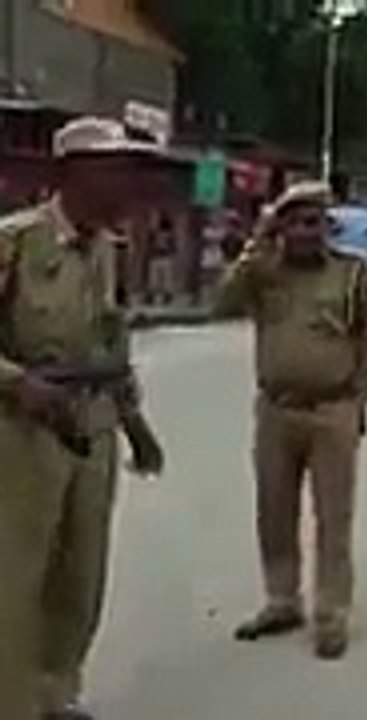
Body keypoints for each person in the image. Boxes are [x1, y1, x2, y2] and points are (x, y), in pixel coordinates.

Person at [0, 116, 167, 720]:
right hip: (23, 430)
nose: (126, 185)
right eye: (114, 170)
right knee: (16, 576)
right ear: (70, 174)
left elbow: (111, 343)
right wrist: (17, 383)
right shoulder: (18, 242)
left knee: (81, 573)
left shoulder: (105, 250)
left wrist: (136, 426)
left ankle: (54, 693)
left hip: (91, 425)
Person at [214, 181, 367, 660]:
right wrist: (258, 241)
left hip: (332, 409)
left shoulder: (352, 274)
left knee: (333, 517)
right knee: (274, 509)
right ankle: (282, 600)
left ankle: (331, 614)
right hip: (276, 409)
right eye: (295, 223)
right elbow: (222, 302)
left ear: (327, 226)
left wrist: (357, 402)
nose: (307, 232)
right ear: (281, 227)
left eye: (315, 222)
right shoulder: (264, 273)